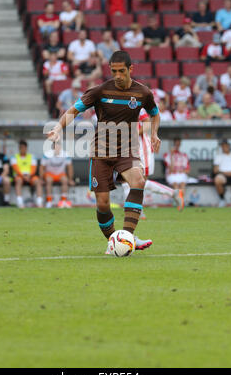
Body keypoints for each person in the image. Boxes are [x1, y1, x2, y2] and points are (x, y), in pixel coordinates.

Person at [47, 50, 161, 254]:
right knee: (102, 203)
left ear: (130, 69)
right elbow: (74, 110)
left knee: (138, 181)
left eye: (121, 71)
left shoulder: (142, 93)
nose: (117, 76)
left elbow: (155, 114)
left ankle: (127, 237)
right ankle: (113, 241)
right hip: (101, 152)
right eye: (114, 71)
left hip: (127, 151)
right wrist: (57, 128)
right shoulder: (100, 91)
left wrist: (154, 134)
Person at [121, 108, 184, 215]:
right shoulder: (117, 105)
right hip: (127, 149)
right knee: (127, 181)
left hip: (141, 149)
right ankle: (173, 194)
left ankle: (136, 211)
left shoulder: (136, 106)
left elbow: (146, 124)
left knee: (137, 181)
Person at [40, 140, 75, 208]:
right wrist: (41, 179)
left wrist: (70, 179)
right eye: (55, 146)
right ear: (53, 147)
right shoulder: (47, 154)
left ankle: (63, 201)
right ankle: (49, 201)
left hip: (60, 174)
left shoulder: (65, 154)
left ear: (60, 146)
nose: (57, 148)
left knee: (65, 180)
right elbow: (42, 167)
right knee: (48, 180)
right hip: (49, 174)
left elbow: (70, 167)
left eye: (58, 146)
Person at [10, 140, 43, 209]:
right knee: (18, 180)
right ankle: (20, 202)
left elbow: (33, 169)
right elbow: (16, 168)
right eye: (21, 148)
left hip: (30, 176)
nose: (22, 149)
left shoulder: (32, 157)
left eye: (24, 147)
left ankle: (39, 202)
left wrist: (29, 176)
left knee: (38, 181)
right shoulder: (14, 157)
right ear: (19, 148)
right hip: (19, 176)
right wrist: (23, 176)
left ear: (26, 148)